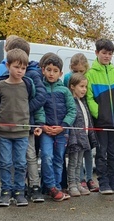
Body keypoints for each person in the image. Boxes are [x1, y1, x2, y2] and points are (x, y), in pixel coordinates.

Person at [0, 36, 47, 203]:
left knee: (22, 163)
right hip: (4, 132)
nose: (20, 70)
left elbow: (38, 98)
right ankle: (6, 192)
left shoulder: (29, 83)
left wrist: (28, 117)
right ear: (8, 65)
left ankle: (20, 192)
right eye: (16, 67)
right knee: (5, 162)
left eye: (23, 67)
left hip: (23, 131)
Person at [85, 39, 114, 195]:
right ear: (97, 53)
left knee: (113, 153)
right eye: (104, 53)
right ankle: (103, 183)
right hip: (101, 122)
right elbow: (89, 98)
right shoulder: (90, 74)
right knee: (101, 153)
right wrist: (99, 113)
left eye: (109, 54)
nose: (107, 56)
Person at [39, 53, 76, 201]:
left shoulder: (65, 91)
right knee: (47, 156)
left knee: (59, 159)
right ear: (43, 70)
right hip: (46, 131)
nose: (51, 73)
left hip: (61, 131)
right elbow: (38, 108)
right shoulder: (40, 88)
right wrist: (43, 125)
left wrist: (63, 126)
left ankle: (57, 187)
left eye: (55, 71)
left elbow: (72, 110)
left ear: (60, 73)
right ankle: (50, 186)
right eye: (48, 70)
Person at [66, 73, 97, 197]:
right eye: (81, 86)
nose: (84, 89)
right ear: (73, 86)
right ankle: (71, 184)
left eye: (85, 87)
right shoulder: (71, 102)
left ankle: (78, 182)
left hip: (83, 138)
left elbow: (86, 119)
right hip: (75, 138)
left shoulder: (82, 102)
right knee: (73, 162)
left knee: (79, 163)